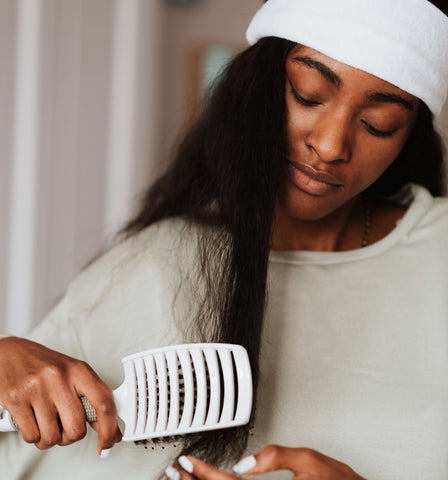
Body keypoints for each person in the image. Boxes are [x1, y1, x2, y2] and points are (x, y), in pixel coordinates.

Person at [1, 0, 448, 478]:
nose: (332, 145)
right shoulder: (152, 266)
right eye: (309, 94)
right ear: (256, 88)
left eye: (378, 125)